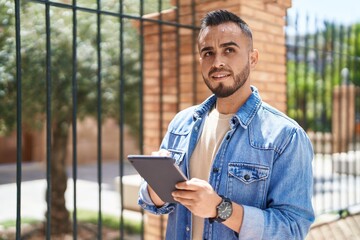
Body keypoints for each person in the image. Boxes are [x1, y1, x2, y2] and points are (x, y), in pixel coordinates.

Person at [138, 9, 314, 240]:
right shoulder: (181, 124)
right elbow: (153, 202)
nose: (217, 62)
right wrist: (156, 186)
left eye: (229, 50)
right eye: (208, 53)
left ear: (253, 58)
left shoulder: (286, 136)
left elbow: (293, 229)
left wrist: (220, 208)